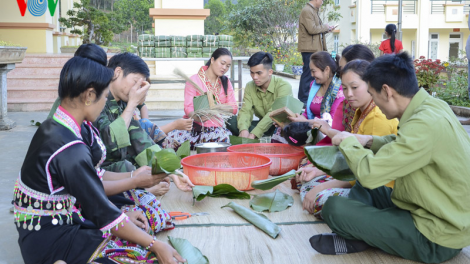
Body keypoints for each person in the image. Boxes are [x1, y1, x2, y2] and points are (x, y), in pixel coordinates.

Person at [14, 44, 184, 264]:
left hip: (69, 218)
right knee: (146, 257)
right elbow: (102, 211)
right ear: (89, 96)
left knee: (142, 226)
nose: (105, 101)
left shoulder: (61, 126)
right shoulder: (68, 148)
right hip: (52, 240)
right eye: (104, 96)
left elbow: (94, 176)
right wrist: (155, 244)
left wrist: (134, 179)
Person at [309, 52, 470, 263]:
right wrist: (367, 140)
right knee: (364, 189)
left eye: (373, 96)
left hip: (437, 236)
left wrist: (347, 142)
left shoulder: (424, 125)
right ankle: (365, 232)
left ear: (386, 91)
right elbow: (401, 142)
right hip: (427, 205)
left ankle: (361, 235)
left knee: (334, 207)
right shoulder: (431, 107)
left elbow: (369, 173)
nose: (374, 102)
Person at [288, 60, 399, 219]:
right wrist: (318, 171)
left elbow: (366, 174)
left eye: (354, 87)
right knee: (306, 179)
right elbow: (350, 160)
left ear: (371, 84)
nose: (349, 94)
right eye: (345, 88)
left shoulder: (377, 117)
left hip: (376, 189)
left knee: (317, 197)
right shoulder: (362, 110)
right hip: (358, 176)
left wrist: (319, 188)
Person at [93, 52, 194, 193]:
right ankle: (141, 191)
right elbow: (111, 142)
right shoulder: (96, 101)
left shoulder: (122, 103)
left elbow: (142, 143)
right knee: (127, 167)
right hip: (99, 171)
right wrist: (132, 103)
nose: (136, 89)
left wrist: (173, 172)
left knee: (147, 167)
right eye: (135, 82)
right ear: (117, 73)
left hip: (116, 165)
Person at [163, 48, 238, 149]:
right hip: (193, 126)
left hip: (216, 128)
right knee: (169, 141)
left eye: (228, 66)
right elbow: (188, 107)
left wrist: (217, 107)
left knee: (223, 140)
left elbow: (234, 108)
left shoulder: (226, 82)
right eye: (222, 63)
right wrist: (197, 117)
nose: (224, 68)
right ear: (212, 60)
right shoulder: (194, 80)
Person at [228, 52, 292, 139]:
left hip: (279, 127)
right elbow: (246, 111)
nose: (254, 77)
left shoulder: (283, 86)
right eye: (252, 73)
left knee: (287, 128)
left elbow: (273, 113)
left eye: (259, 73)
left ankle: (259, 138)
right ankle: (258, 138)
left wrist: (254, 134)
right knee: (231, 121)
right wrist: (243, 130)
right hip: (262, 126)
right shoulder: (250, 86)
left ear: (270, 72)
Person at [290, 51, 344, 126]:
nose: (311, 75)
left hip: (328, 132)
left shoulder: (340, 89)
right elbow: (306, 113)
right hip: (312, 129)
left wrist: (305, 121)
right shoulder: (314, 85)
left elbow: (331, 120)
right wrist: (297, 118)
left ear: (326, 70)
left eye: (313, 71)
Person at [298, 0, 335, 105]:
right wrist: (325, 27)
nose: (322, 2)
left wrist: (327, 29)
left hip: (314, 48)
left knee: (313, 73)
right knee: (308, 73)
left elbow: (316, 30)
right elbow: (312, 29)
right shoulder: (307, 10)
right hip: (309, 48)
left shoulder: (313, 10)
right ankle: (303, 99)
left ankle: (308, 97)